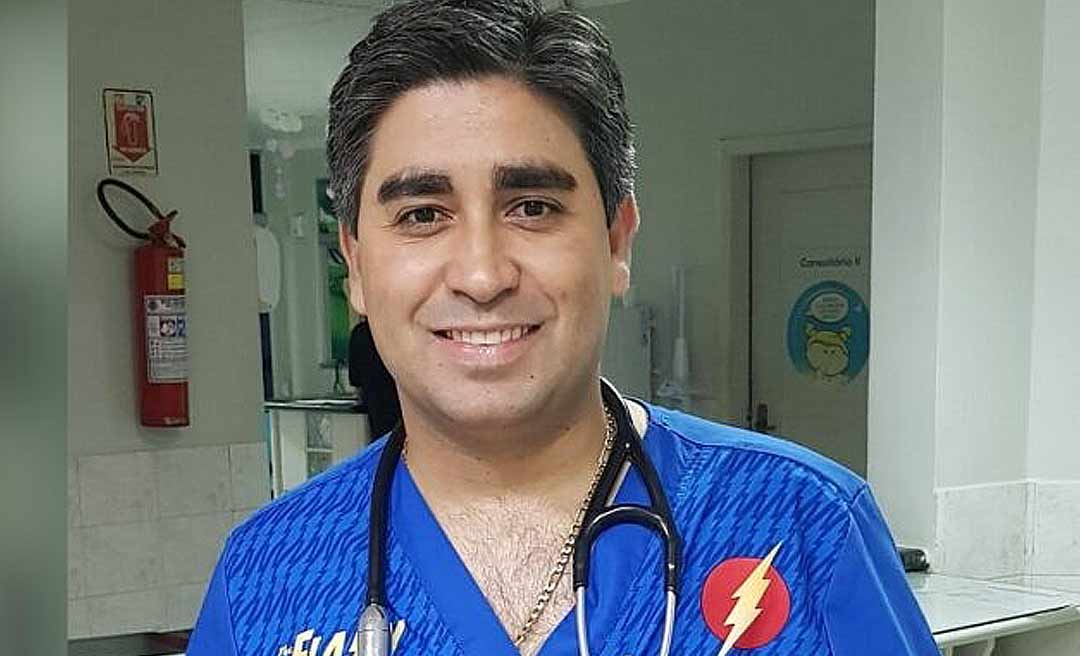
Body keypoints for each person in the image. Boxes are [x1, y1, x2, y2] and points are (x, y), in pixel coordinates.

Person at [187, 1, 939, 654]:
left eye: (532, 207)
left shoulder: (802, 524)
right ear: (355, 264)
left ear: (617, 243)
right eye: (422, 214)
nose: (482, 274)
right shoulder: (267, 575)